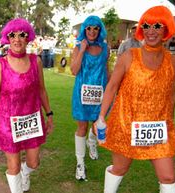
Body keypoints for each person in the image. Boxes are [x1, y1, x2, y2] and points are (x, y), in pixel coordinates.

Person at [96, 6, 175, 193]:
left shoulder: (171, 61)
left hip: (158, 129)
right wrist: (101, 117)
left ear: (166, 29)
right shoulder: (129, 56)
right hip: (127, 125)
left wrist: (169, 122)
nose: (151, 31)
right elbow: (111, 87)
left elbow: (171, 94)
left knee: (168, 177)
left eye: (157, 26)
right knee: (120, 168)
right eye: (147, 25)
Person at [0, 18, 53, 193]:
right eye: (13, 35)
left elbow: (42, 90)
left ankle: (25, 173)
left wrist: (49, 115)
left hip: (32, 121)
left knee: (33, 163)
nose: (17, 39)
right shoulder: (1, 64)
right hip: (8, 122)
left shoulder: (36, 62)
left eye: (22, 35)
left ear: (28, 38)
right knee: (13, 167)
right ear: (7, 38)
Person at [70, 15, 110, 180]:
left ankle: (92, 142)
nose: (92, 32)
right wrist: (82, 50)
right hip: (82, 93)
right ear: (84, 30)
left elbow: (106, 70)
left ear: (99, 30)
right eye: (89, 28)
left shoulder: (105, 48)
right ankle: (80, 163)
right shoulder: (78, 47)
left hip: (99, 94)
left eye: (95, 28)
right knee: (82, 128)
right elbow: (74, 70)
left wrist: (111, 88)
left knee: (96, 126)